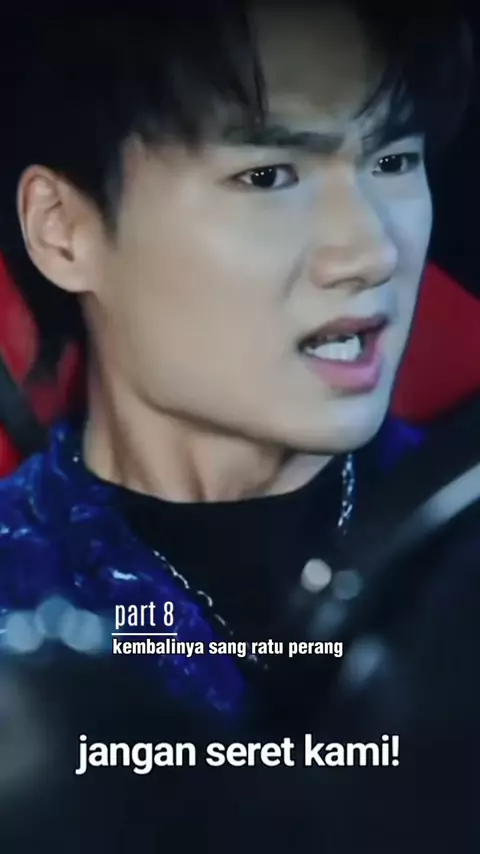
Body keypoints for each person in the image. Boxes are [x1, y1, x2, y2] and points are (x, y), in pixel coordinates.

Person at [0, 4, 472, 720]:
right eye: (268, 176)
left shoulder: (458, 552)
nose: (372, 251)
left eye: (393, 161)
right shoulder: (19, 604)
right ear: (63, 231)